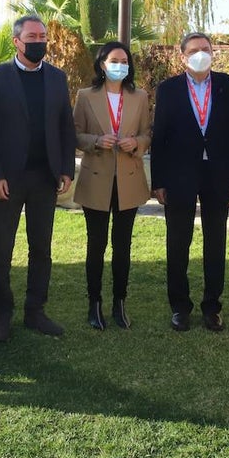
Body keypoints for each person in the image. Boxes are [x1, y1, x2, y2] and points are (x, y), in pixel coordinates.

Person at [0, 14, 76, 342]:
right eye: (32, 36)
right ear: (16, 41)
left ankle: (35, 312)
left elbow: (65, 126)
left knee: (41, 249)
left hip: (44, 177)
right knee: (1, 250)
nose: (39, 42)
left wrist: (65, 168)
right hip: (7, 180)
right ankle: (1, 316)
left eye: (43, 36)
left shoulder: (57, 78)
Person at [151, 31, 229, 333]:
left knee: (215, 242)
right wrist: (159, 180)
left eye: (206, 49)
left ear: (213, 53)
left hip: (218, 174)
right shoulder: (169, 89)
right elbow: (160, 137)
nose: (200, 53)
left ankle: (212, 306)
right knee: (178, 242)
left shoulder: (228, 86)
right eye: (194, 50)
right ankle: (180, 307)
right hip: (180, 175)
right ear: (183, 56)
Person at [73, 41, 152, 330]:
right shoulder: (85, 96)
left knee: (123, 246)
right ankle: (94, 304)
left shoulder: (140, 96)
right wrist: (95, 141)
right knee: (96, 245)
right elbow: (75, 133)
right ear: (102, 64)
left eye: (124, 60)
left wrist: (137, 143)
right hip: (97, 179)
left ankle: (120, 302)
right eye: (114, 60)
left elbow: (147, 134)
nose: (120, 65)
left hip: (128, 181)